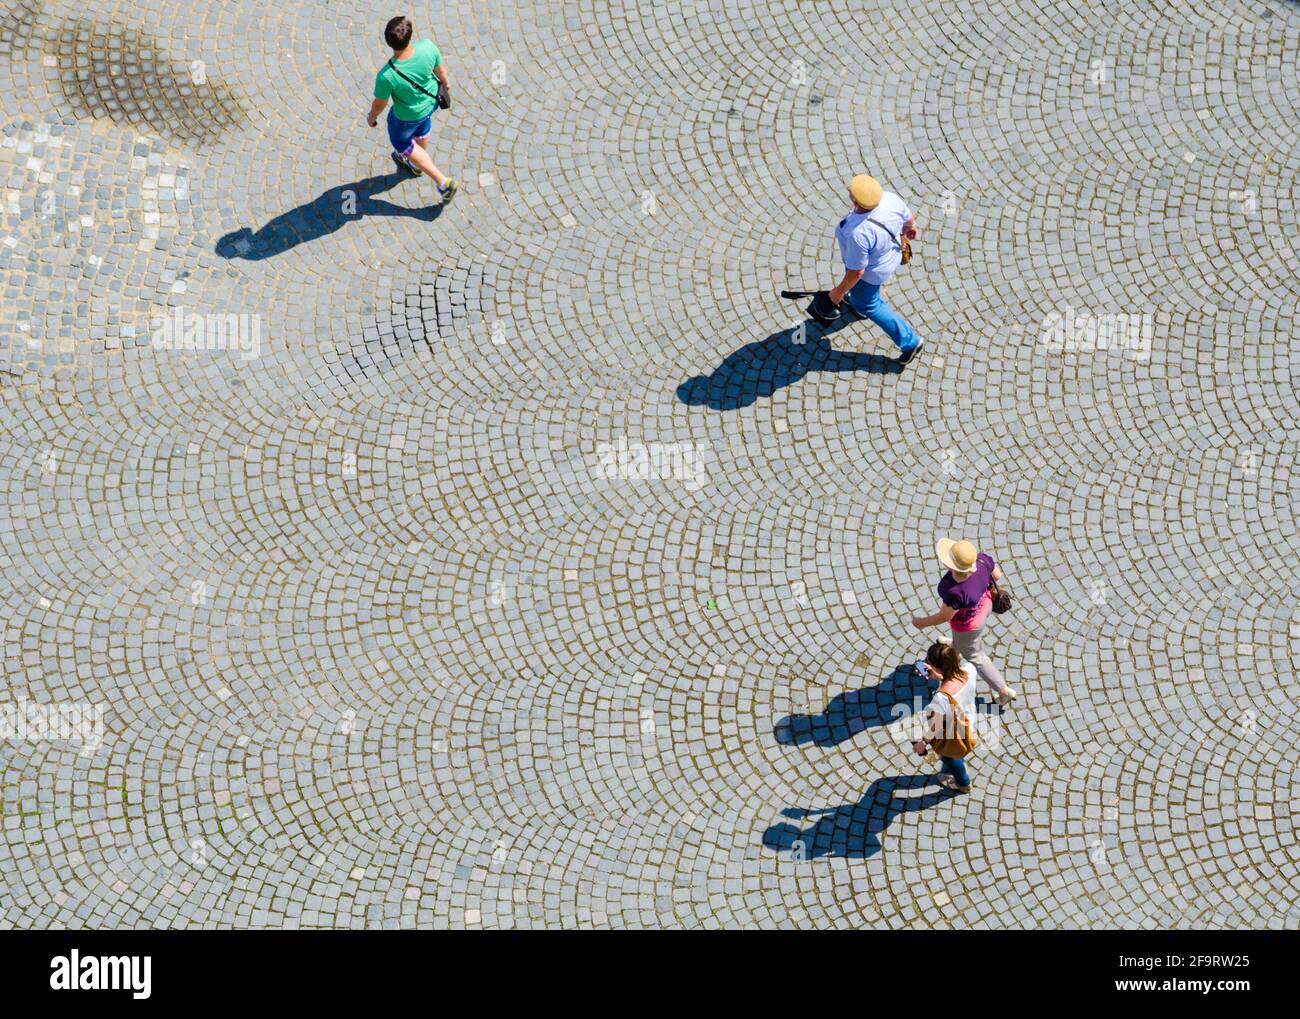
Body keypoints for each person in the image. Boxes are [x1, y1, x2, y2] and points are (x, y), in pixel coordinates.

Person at [827, 174, 923, 365]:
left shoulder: (858, 233)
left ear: (855, 200)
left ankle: (910, 341)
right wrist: (911, 226)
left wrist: (837, 293)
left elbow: (857, 272)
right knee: (862, 295)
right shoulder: (890, 198)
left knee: (868, 303)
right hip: (890, 255)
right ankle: (858, 301)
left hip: (872, 272)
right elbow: (908, 217)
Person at [912, 538, 1018, 706]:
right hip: (986, 605)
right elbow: (997, 575)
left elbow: (945, 616)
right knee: (963, 642)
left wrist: (921, 622)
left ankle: (1003, 690)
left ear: (952, 567)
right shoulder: (982, 559)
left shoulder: (955, 591)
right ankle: (957, 645)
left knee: (976, 655)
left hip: (968, 625)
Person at [366, 16, 458, 204]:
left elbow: (379, 104)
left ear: (388, 41)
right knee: (422, 129)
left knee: (401, 141)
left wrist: (371, 117)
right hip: (431, 103)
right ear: (410, 35)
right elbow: (440, 71)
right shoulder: (428, 46)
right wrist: (446, 83)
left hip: (406, 116)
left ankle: (443, 182)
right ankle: (415, 164)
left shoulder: (387, 75)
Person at [912, 641, 977, 792]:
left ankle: (963, 783)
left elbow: (935, 727)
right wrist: (941, 677)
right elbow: (953, 681)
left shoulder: (941, 698)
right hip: (968, 721)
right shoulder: (970, 670)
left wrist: (922, 743)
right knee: (956, 754)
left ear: (934, 668)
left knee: (949, 757)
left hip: (951, 733)